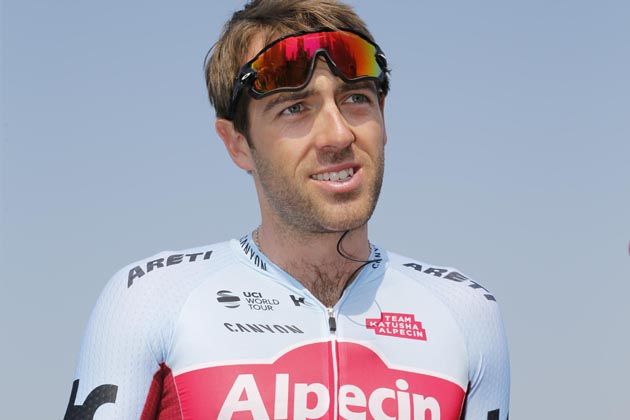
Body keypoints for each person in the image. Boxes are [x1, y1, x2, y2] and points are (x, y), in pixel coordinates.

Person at [64, 1, 510, 419]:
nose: (338, 135)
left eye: (356, 98)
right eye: (295, 107)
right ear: (238, 144)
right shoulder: (150, 299)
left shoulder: (466, 312)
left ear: (384, 115)